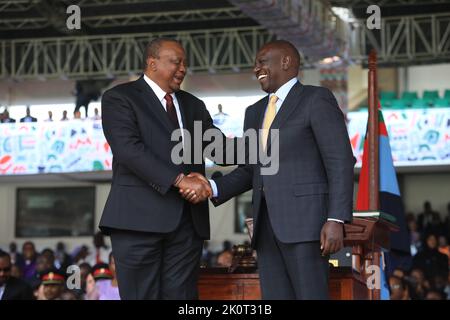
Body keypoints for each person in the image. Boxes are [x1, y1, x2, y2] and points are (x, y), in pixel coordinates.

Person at [186, 40, 355, 299]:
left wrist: (336, 219)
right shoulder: (254, 112)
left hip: (307, 226)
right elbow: (252, 169)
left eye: (262, 61)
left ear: (286, 62)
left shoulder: (315, 98)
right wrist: (213, 186)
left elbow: (340, 160)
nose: (256, 68)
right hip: (266, 230)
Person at [99, 38, 230, 299]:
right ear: (152, 63)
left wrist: (263, 144)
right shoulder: (119, 98)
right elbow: (129, 150)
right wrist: (181, 180)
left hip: (187, 224)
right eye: (176, 62)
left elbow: (218, 149)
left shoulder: (193, 104)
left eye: (185, 63)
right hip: (137, 221)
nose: (183, 68)